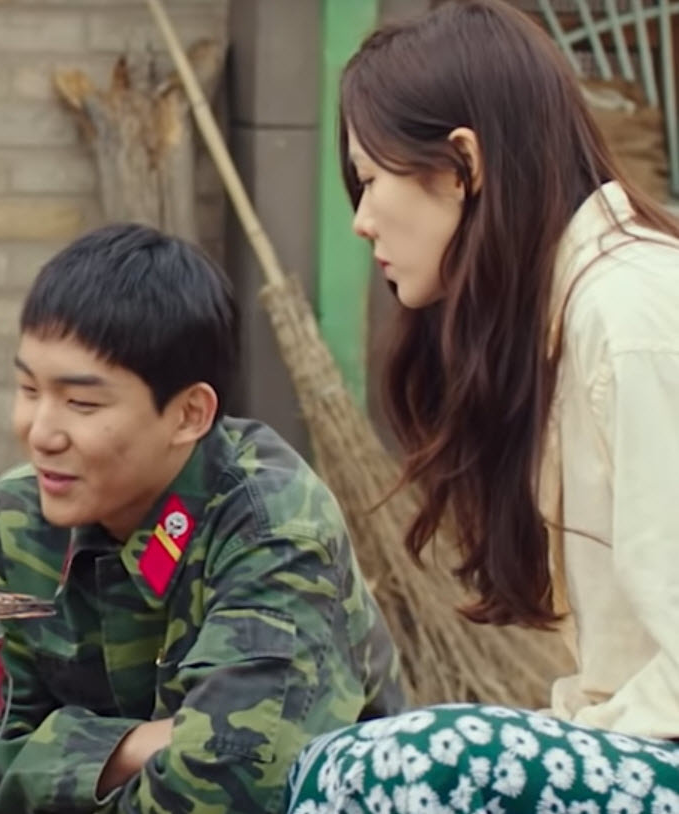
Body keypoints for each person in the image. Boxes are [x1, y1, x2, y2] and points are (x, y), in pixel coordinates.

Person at [285, 2, 679, 810]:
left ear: (463, 163)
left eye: (370, 180)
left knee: (405, 767)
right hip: (638, 754)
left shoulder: (630, 314)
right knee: (326, 766)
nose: (361, 221)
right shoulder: (568, 317)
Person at [0, 223, 405, 814]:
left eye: (82, 403)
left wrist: (61, 757)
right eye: (28, 389)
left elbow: (228, 786)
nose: (41, 433)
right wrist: (142, 745)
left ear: (189, 415)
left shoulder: (273, 527)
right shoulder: (18, 519)